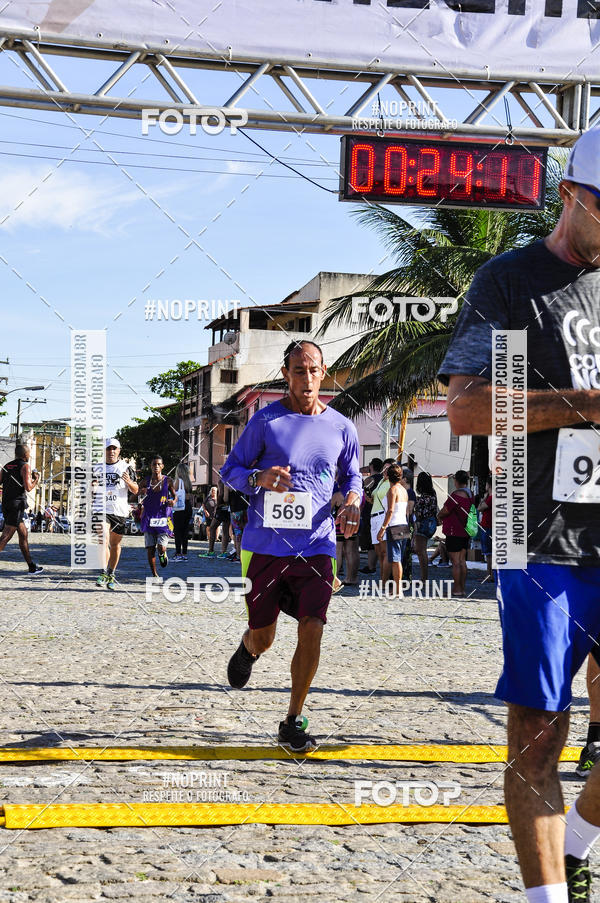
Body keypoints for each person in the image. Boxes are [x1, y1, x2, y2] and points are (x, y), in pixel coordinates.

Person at [438, 128, 600, 903]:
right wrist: (584, 405)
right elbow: (467, 410)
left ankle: (574, 841)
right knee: (540, 737)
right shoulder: (511, 282)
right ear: (571, 192)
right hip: (536, 540)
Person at [220, 339, 362, 752]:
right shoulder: (266, 422)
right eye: (298, 371)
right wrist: (259, 478)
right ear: (286, 374)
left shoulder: (341, 427)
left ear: (323, 372)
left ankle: (293, 718)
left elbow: (352, 478)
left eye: (313, 370)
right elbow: (230, 471)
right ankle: (249, 648)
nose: (306, 378)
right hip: (265, 546)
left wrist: (352, 501)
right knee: (265, 637)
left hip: (317, 545)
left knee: (312, 628)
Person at [93, 438, 138, 590]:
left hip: (119, 510)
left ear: (119, 451)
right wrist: (92, 487)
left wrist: (129, 482)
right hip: (101, 509)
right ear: (104, 451)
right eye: (108, 449)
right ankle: (103, 571)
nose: (111, 451)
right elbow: (89, 488)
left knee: (115, 544)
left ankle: (111, 573)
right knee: (103, 539)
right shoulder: (97, 468)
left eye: (114, 449)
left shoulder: (126, 467)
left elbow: (135, 490)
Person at [0, 443, 43, 574]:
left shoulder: (7, 466)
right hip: (17, 505)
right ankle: (31, 566)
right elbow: (28, 487)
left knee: (23, 535)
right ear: (25, 455)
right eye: (29, 453)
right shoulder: (25, 466)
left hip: (7, 503)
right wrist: (36, 479)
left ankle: (31, 566)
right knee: (6, 536)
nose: (30, 455)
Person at [376, 463, 411, 598]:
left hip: (394, 526)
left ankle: (398, 590)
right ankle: (396, 588)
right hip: (403, 524)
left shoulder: (392, 491)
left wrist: (383, 528)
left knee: (395, 560)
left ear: (387, 476)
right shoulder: (403, 490)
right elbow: (406, 511)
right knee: (398, 559)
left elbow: (390, 511)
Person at [436, 470, 472, 599]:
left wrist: (439, 516)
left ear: (456, 481)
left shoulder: (455, 496)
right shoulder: (470, 494)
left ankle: (456, 590)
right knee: (462, 561)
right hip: (465, 531)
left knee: (455, 562)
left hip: (454, 531)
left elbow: (445, 510)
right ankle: (462, 589)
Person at [139, 456, 176, 577]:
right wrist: (140, 494)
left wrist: (173, 501)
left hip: (163, 517)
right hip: (149, 517)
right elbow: (134, 494)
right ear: (150, 466)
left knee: (161, 547)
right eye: (154, 464)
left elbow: (175, 496)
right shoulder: (145, 481)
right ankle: (154, 574)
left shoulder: (168, 480)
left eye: (158, 464)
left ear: (162, 466)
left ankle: (162, 554)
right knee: (150, 549)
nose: (156, 466)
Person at [369, 458, 395, 580]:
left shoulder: (392, 483)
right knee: (379, 552)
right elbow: (373, 499)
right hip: (373, 517)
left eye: (388, 468)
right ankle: (383, 578)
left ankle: (385, 581)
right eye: (384, 468)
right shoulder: (381, 481)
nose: (385, 470)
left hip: (382, 516)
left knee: (385, 552)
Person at [332, 480, 359, 585]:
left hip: (339, 522)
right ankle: (351, 577)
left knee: (338, 551)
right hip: (352, 522)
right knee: (350, 551)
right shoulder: (355, 490)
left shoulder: (336, 489)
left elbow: (331, 504)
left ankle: (335, 577)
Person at [413, 472, 439, 584]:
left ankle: (423, 578)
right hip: (432, 523)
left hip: (423, 523)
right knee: (421, 550)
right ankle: (424, 577)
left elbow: (419, 513)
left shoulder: (422, 498)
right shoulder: (433, 494)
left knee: (421, 551)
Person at [359, 458, 384, 575]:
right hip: (381, 512)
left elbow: (364, 494)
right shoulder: (383, 480)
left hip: (369, 512)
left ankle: (371, 566)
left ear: (371, 466)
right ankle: (377, 565)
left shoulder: (370, 480)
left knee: (371, 541)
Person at [172, 461, 193, 562]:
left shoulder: (178, 481)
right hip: (188, 507)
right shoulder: (188, 482)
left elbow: (173, 494)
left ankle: (178, 553)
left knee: (177, 531)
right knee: (185, 531)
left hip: (180, 508)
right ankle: (184, 553)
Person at [208, 480, 230, 558]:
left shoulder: (221, 481)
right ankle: (224, 552)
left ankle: (211, 551)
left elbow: (221, 494)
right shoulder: (231, 480)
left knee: (212, 528)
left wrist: (217, 506)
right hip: (229, 508)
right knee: (225, 530)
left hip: (221, 508)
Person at [477, 476, 493, 583]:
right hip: (487, 526)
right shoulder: (490, 497)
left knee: (489, 553)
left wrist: (485, 497)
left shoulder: (492, 497)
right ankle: (490, 574)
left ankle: (490, 575)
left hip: (488, 527)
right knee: (489, 553)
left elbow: (480, 508)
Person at [227, 488, 248, 561]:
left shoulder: (229, 483)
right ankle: (245, 556)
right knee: (245, 533)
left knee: (238, 533)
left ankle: (239, 556)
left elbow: (225, 498)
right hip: (245, 508)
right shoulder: (244, 480)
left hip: (235, 509)